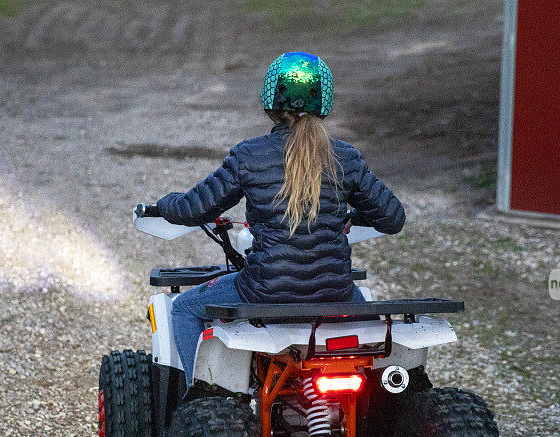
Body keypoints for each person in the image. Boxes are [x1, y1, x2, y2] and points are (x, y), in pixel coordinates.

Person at [155, 51, 405, 385]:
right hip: (336, 294)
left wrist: (165, 202)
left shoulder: (249, 155)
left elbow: (193, 209)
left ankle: (197, 404)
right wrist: (353, 215)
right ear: (324, 102)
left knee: (184, 309)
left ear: (271, 101)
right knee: (370, 333)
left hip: (264, 292)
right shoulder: (345, 157)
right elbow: (393, 218)